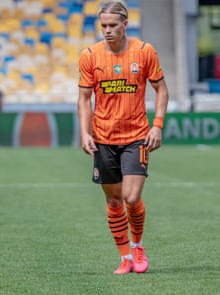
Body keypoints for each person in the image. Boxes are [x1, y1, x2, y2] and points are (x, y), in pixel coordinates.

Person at [77, 1, 169, 275]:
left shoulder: (144, 51)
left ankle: (138, 245)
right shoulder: (90, 56)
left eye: (112, 25)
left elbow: (161, 90)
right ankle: (125, 257)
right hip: (103, 138)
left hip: (136, 136)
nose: (107, 30)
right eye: (103, 25)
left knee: (131, 197)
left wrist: (157, 126)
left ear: (125, 24)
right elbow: (84, 99)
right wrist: (85, 132)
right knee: (114, 201)